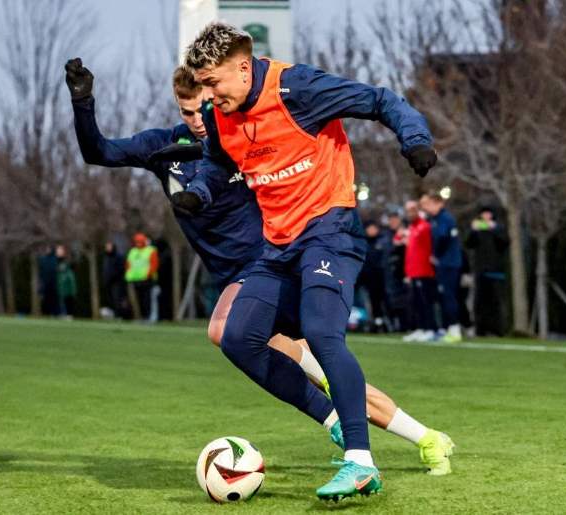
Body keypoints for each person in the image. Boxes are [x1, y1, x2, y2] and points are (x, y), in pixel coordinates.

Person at [67, 52, 453, 490]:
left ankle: (340, 427)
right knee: (320, 368)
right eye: (188, 111)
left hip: (269, 264)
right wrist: (83, 103)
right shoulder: (167, 148)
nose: (198, 118)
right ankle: (425, 437)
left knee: (228, 331)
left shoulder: (236, 135)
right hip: (243, 275)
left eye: (206, 105)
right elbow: (97, 151)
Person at [174, 22, 440, 499]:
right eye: (201, 86)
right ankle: (334, 419)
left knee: (320, 332)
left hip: (329, 234)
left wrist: (414, 139)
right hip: (277, 247)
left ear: (242, 67)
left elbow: (381, 100)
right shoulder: (218, 115)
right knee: (237, 338)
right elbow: (218, 162)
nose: (207, 96)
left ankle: (361, 463)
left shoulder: (297, 88)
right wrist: (199, 191)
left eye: (212, 83)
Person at [420, 192, 463, 342]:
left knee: (449, 295)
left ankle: (455, 329)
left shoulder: (445, 218)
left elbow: (443, 238)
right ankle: (447, 328)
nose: (427, 207)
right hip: (444, 263)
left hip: (449, 263)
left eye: (430, 204)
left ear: (439, 203)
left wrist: (436, 255)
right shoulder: (435, 219)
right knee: (443, 296)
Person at [465, 206, 509, 336]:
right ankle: (481, 329)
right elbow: (468, 243)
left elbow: (504, 243)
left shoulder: (499, 229)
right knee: (480, 302)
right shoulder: (477, 231)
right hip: (480, 270)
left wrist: (494, 229)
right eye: (483, 214)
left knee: (495, 301)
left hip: (496, 271)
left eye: (488, 214)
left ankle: (497, 329)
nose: (486, 217)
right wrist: (473, 230)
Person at [403, 200, 439, 342]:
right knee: (416, 301)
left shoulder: (424, 227)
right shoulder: (412, 228)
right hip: (413, 271)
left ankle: (430, 328)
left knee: (426, 301)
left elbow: (430, 248)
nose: (410, 214)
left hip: (424, 271)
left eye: (412, 210)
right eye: (408, 211)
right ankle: (421, 327)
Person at [360, 220, 391, 332]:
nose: (372, 231)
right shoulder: (363, 243)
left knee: (384, 301)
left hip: (382, 278)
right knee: (372, 302)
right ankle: (376, 323)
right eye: (370, 228)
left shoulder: (383, 241)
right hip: (368, 279)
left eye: (373, 228)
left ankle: (389, 322)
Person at [124, 233, 159, 321]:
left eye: (140, 241)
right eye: (137, 241)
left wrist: (148, 274)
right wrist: (129, 274)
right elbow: (128, 264)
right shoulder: (133, 251)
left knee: (147, 299)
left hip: (147, 279)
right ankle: (141, 316)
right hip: (134, 279)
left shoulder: (151, 251)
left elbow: (154, 264)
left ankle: (148, 317)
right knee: (138, 300)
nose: (138, 243)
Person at [101, 242, 128, 318]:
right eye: (107, 247)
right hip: (108, 282)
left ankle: (120, 315)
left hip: (117, 282)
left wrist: (114, 276)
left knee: (118, 299)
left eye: (109, 247)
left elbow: (121, 269)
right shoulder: (106, 257)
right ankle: (114, 314)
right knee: (111, 299)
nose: (108, 248)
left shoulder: (118, 256)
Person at [55, 244, 77, 319]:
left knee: (68, 299)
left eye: (60, 251)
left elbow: (70, 273)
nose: (58, 252)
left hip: (67, 284)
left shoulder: (67, 261)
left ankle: (69, 314)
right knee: (61, 299)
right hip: (60, 284)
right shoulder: (57, 261)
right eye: (58, 251)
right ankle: (63, 313)